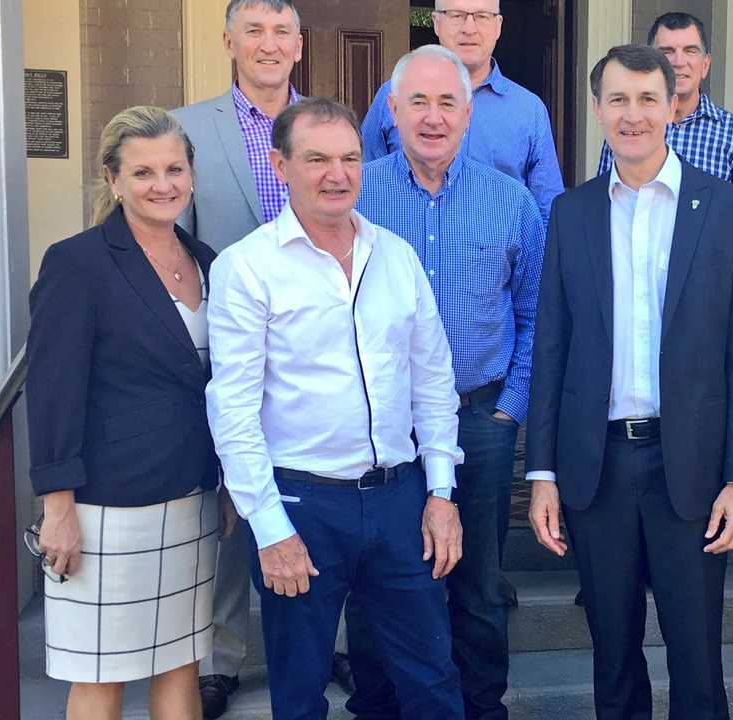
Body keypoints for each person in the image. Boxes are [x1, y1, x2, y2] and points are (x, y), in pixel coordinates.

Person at [525, 44, 733, 720]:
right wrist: (541, 472)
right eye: (618, 100)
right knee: (612, 654)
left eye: (647, 99)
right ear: (598, 109)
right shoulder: (571, 214)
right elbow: (553, 344)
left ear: (673, 106)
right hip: (596, 468)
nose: (633, 115)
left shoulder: (728, 212)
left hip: (690, 469)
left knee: (697, 660)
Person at [205, 97, 466, 720]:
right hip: (303, 505)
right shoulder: (247, 268)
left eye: (349, 158)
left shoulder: (395, 256)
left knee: (430, 681)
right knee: (299, 694)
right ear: (280, 165)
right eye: (317, 158)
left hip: (399, 500)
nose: (337, 173)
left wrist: (440, 492)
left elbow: (433, 381)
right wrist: (269, 528)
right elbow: (233, 410)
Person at [344, 44, 544, 720]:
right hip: (381, 428)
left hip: (478, 420)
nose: (432, 117)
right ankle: (379, 705)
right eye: (418, 102)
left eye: (447, 102)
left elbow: (538, 315)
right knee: (381, 576)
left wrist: (509, 411)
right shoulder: (357, 196)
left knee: (479, 584)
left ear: (468, 114)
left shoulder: (511, 202)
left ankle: (482, 707)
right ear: (392, 111)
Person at [26, 105, 221, 719]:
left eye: (174, 168)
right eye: (142, 173)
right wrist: (57, 506)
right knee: (100, 674)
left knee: (180, 661)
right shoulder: (77, 262)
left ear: (191, 173)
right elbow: (53, 389)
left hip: (191, 494)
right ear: (112, 180)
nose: (162, 185)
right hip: (106, 505)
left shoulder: (208, 261)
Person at [171, 1, 307, 714]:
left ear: (299, 44)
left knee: (319, 498)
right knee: (229, 504)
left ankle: (327, 634)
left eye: (281, 31)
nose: (268, 44)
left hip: (316, 357)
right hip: (228, 351)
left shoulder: (326, 124)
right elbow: (179, 244)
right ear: (228, 42)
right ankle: (221, 655)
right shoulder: (189, 128)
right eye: (253, 30)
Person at [359, 0, 563, 225]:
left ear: (498, 26)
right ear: (436, 22)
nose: (469, 28)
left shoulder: (528, 110)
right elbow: (362, 187)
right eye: (456, 15)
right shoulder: (395, 95)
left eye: (482, 16)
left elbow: (548, 215)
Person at [596, 12, 733, 251]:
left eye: (690, 51)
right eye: (666, 52)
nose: (678, 62)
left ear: (705, 64)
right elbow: (601, 206)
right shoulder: (629, 131)